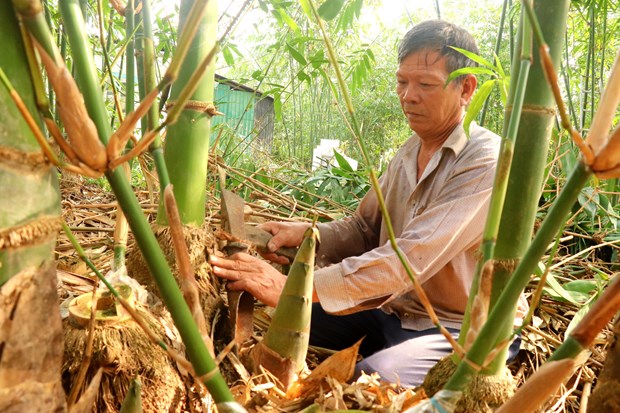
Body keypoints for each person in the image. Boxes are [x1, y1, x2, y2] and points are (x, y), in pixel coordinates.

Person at [209, 20, 520, 387]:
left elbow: (408, 260)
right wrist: (310, 235)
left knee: (372, 380)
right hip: (388, 309)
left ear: (466, 88)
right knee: (284, 320)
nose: (408, 96)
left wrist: (291, 287)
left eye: (425, 84)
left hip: (453, 326)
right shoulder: (408, 153)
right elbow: (364, 229)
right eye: (402, 82)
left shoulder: (486, 160)